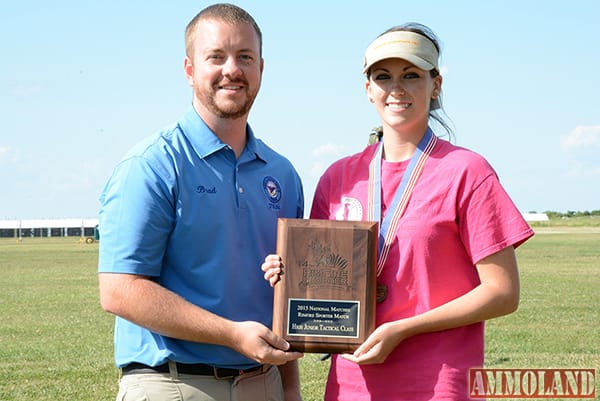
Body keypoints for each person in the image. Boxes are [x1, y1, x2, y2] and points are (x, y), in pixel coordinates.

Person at [263, 23, 534, 400]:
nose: (396, 88)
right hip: (351, 385)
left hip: (439, 383)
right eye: (383, 76)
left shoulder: (468, 172)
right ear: (367, 88)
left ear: (435, 84)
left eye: (411, 75)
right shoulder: (338, 178)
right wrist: (288, 272)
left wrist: (404, 328)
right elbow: (321, 277)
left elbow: (503, 292)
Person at [98, 4, 304, 401]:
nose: (232, 69)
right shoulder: (152, 165)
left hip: (265, 383)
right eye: (216, 57)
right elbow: (120, 289)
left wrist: (291, 389)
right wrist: (231, 334)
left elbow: (287, 289)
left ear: (261, 67)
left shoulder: (283, 175)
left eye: (245, 57)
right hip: (173, 384)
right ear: (189, 69)